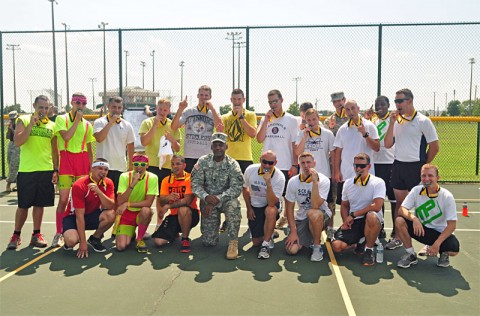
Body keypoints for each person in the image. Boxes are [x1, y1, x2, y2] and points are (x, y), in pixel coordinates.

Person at [384, 88, 439, 250]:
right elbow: (387, 144)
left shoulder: (423, 121)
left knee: (424, 205)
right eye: (395, 101)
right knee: (400, 204)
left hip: (417, 167)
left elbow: (435, 147)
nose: (397, 104)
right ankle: (398, 237)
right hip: (399, 165)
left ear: (409, 101)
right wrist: (392, 123)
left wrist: (423, 167)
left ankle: (430, 242)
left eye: (399, 101)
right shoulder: (396, 121)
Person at [7, 95, 58, 250]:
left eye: (46, 107)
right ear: (34, 105)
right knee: (23, 205)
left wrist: (55, 170)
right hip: (27, 170)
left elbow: (55, 150)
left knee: (39, 204)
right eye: (40, 107)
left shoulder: (52, 125)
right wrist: (31, 126)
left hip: (46, 170)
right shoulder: (23, 120)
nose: (43, 110)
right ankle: (16, 235)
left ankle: (36, 234)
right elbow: (18, 141)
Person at [191, 132, 244, 259]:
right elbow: (195, 184)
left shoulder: (232, 164)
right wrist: (205, 197)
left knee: (234, 205)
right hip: (208, 201)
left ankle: (233, 241)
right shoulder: (203, 161)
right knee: (209, 243)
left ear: (226, 147)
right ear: (211, 147)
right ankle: (213, 231)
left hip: (225, 200)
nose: (218, 148)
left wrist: (217, 199)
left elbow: (236, 188)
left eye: (221, 145)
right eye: (215, 145)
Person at [395, 164, 459, 268]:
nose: (426, 179)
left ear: (437, 178)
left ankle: (444, 253)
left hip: (439, 233)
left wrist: (437, 244)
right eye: (423, 176)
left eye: (430, 176)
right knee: (399, 221)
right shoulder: (416, 190)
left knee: (454, 249)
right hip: (421, 230)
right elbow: (402, 209)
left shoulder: (447, 196)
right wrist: (414, 219)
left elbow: (452, 225)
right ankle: (410, 254)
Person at [53, 93, 95, 247]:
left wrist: (91, 168)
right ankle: (59, 232)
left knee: (79, 200)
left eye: (83, 103)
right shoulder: (61, 119)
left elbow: (89, 149)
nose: (80, 106)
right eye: (78, 102)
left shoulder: (88, 125)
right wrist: (77, 121)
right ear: (72, 102)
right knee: (63, 199)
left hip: (82, 162)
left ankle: (77, 231)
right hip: (66, 160)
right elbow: (66, 138)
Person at [331, 153, 386, 266]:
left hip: (371, 220)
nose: (358, 169)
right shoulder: (348, 183)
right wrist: (346, 220)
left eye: (362, 166)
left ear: (369, 167)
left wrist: (354, 214)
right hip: (355, 221)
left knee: (371, 215)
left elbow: (377, 206)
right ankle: (359, 241)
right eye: (356, 166)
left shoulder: (378, 182)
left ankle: (369, 250)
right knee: (336, 246)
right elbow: (345, 205)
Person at [257, 89, 299, 229]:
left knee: (287, 196)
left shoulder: (291, 120)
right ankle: (268, 223)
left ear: (281, 100)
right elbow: (259, 139)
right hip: (268, 164)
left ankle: (286, 219)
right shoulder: (266, 118)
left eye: (275, 101)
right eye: (270, 102)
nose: (272, 105)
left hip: (285, 164)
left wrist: (294, 164)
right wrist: (266, 121)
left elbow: (294, 144)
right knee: (267, 195)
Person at [139, 98, 181, 229]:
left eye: (165, 110)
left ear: (169, 110)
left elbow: (178, 148)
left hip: (167, 166)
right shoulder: (147, 122)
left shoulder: (172, 125)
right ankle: (142, 228)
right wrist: (154, 126)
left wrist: (172, 140)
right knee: (147, 198)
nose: (162, 112)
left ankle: (159, 224)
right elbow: (144, 142)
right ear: (156, 108)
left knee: (163, 198)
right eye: (160, 109)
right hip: (151, 165)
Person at [295, 108, 336, 238]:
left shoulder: (327, 134)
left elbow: (333, 154)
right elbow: (297, 152)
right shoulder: (301, 133)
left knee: (329, 203)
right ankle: (309, 226)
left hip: (324, 175)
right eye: (309, 120)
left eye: (314, 119)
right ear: (305, 121)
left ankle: (330, 227)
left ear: (318, 119)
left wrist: (335, 172)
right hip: (306, 176)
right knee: (309, 202)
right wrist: (304, 136)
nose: (311, 122)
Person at [62, 159, 115, 257]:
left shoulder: (108, 183)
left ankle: (95, 238)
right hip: (73, 217)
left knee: (111, 214)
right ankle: (70, 235)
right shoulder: (79, 185)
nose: (103, 172)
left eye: (105, 169)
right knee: (71, 241)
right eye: (100, 168)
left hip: (91, 214)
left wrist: (99, 192)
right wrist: (83, 243)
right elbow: (79, 216)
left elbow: (111, 206)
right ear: (92, 169)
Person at [284, 152, 332, 261]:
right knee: (291, 250)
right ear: (299, 164)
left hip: (321, 215)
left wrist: (315, 182)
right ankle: (307, 238)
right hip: (302, 218)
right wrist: (293, 232)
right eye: (303, 163)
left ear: (314, 163)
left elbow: (315, 205)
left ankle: (316, 247)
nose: (306, 165)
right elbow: (289, 208)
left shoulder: (324, 180)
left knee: (313, 213)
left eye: (308, 162)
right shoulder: (293, 181)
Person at [333, 99, 380, 208]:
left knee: (367, 205)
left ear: (358, 109)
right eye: (348, 110)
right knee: (346, 205)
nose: (351, 112)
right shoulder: (342, 129)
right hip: (347, 174)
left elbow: (376, 147)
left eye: (353, 108)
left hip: (366, 175)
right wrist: (336, 171)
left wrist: (364, 134)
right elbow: (338, 151)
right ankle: (347, 225)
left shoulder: (370, 126)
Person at [243, 150, 285, 259]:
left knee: (270, 210)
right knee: (256, 242)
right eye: (264, 162)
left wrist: (268, 183)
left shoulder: (279, 177)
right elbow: (245, 188)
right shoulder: (250, 170)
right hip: (255, 205)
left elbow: (272, 202)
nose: (267, 165)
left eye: (270, 163)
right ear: (260, 160)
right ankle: (269, 232)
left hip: (270, 204)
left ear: (275, 163)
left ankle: (266, 245)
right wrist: (249, 208)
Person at [152, 155, 200, 253]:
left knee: (183, 209)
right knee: (158, 242)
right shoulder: (166, 180)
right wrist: (167, 198)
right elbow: (161, 201)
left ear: (184, 165)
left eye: (178, 164)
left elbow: (187, 201)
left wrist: (169, 205)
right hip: (174, 216)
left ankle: (185, 239)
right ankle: (175, 232)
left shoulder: (190, 179)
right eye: (173, 164)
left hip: (191, 215)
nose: (175, 166)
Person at [170, 85, 223, 172]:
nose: (204, 98)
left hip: (206, 156)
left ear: (210, 97)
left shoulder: (213, 113)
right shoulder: (189, 111)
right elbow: (174, 127)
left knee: (206, 184)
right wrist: (180, 109)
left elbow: (220, 129)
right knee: (190, 183)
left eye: (206, 95)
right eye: (201, 95)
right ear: (197, 96)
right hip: (189, 155)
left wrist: (212, 109)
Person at [114, 153, 158, 253]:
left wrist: (128, 204)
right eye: (136, 164)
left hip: (141, 213)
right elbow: (120, 201)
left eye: (142, 165)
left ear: (147, 165)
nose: (139, 167)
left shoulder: (152, 178)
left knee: (147, 211)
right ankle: (131, 232)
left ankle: (140, 239)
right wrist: (133, 184)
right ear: (132, 164)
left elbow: (148, 203)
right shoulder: (124, 176)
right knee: (121, 247)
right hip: (127, 214)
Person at [94, 96, 135, 192]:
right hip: (103, 167)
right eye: (114, 107)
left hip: (120, 167)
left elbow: (130, 147)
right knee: (102, 197)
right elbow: (99, 138)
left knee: (118, 198)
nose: (116, 110)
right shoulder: (100, 122)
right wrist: (111, 122)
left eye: (119, 107)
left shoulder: (127, 125)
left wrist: (130, 166)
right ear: (108, 106)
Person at [372, 96, 397, 238]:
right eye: (377, 104)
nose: (379, 107)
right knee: (378, 199)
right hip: (376, 164)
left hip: (390, 163)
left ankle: (395, 230)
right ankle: (380, 227)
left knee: (393, 199)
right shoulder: (373, 121)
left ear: (388, 105)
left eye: (382, 104)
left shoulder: (393, 120)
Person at [221, 88, 257, 173]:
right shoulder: (225, 117)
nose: (236, 102)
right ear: (231, 100)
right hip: (229, 158)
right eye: (234, 99)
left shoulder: (250, 115)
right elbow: (222, 139)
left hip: (245, 158)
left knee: (245, 186)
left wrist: (241, 117)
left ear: (244, 100)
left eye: (239, 99)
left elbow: (252, 134)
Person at [6, 110, 20, 192]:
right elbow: (7, 137)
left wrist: (12, 129)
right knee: (9, 162)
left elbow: (18, 136)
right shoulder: (11, 125)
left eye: (13, 119)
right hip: (11, 144)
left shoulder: (19, 124)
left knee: (14, 165)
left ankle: (8, 183)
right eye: (11, 119)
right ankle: (17, 184)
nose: (12, 120)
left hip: (17, 144)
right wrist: (9, 129)